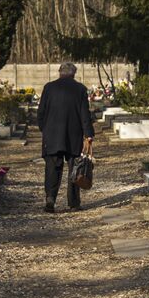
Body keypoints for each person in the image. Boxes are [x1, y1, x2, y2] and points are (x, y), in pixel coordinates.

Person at [36, 62, 94, 213]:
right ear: (74, 73)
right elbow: (84, 114)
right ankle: (74, 203)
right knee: (75, 168)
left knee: (52, 169)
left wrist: (44, 129)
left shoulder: (49, 88)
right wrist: (88, 134)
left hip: (52, 135)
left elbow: (41, 112)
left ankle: (50, 199)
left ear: (59, 72)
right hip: (73, 135)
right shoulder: (80, 89)